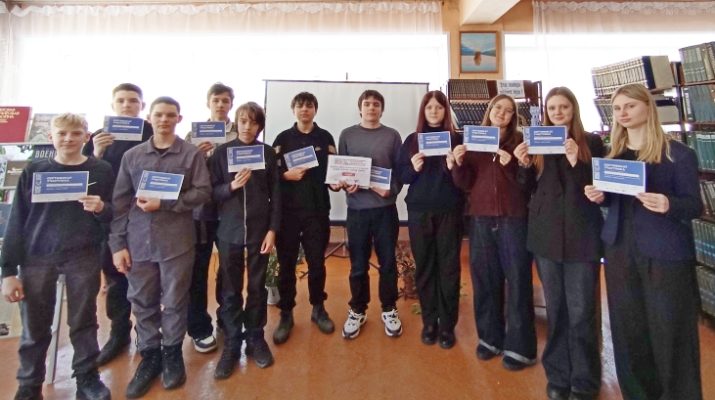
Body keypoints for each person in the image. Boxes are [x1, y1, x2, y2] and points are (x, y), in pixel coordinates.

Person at [585, 83, 703, 400]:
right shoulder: (613, 155)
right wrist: (600, 196)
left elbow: (695, 205)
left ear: (647, 108)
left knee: (671, 331)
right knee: (629, 330)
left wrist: (669, 204)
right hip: (620, 250)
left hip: (665, 253)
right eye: (617, 108)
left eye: (630, 106)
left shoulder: (679, 154)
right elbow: (614, 200)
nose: (622, 113)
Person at [2, 113, 113, 400]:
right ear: (51, 137)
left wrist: (102, 208)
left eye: (75, 133)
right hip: (37, 256)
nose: (68, 139)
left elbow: (115, 214)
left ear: (86, 137)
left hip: (83, 255)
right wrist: (8, 271)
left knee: (83, 321)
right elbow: (17, 219)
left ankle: (87, 378)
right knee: (34, 325)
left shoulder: (101, 170)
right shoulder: (34, 169)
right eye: (62, 133)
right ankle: (29, 385)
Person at [109, 97, 211, 398]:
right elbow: (120, 203)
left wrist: (165, 203)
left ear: (179, 119)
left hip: (177, 242)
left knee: (175, 301)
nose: (164, 120)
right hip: (138, 242)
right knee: (142, 301)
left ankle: (172, 353)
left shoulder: (191, 155)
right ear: (149, 118)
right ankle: (149, 354)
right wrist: (117, 244)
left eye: (170, 115)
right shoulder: (132, 156)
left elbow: (203, 192)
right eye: (159, 115)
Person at [514, 87, 604, 400]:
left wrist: (577, 160)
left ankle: (585, 380)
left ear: (573, 109)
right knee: (556, 310)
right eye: (552, 108)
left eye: (563, 107)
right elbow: (526, 190)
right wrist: (524, 165)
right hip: (546, 237)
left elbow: (599, 188)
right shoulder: (538, 143)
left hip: (582, 237)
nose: (558, 112)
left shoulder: (591, 142)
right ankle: (558, 375)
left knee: (581, 312)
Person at [451, 94, 537, 368]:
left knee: (518, 281)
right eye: (498, 108)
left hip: (514, 219)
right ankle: (489, 339)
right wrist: (458, 163)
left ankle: (521, 348)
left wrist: (515, 163)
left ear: (513, 117)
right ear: (490, 110)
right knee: (485, 280)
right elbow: (465, 184)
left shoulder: (520, 141)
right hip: (481, 219)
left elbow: (528, 185)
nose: (502, 113)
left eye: (509, 110)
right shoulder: (474, 140)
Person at [83, 83, 154, 366]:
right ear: (113, 105)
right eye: (121, 100)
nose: (127, 105)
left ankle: (147, 335)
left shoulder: (152, 132)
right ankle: (119, 332)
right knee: (115, 276)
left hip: (146, 215)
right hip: (109, 216)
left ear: (141, 106)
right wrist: (97, 153)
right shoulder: (99, 136)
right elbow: (82, 175)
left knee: (147, 276)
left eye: (133, 101)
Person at [208, 102, 280, 379]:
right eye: (242, 121)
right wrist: (232, 186)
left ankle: (255, 338)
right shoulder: (221, 153)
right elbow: (211, 192)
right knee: (230, 289)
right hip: (229, 231)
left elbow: (277, 194)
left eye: (252, 122)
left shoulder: (267, 153)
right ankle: (232, 342)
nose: (247, 126)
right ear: (236, 122)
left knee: (257, 287)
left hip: (260, 231)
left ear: (259, 125)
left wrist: (272, 230)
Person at [396, 90, 463, 349]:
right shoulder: (412, 140)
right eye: (429, 107)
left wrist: (454, 166)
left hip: (449, 210)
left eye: (439, 107)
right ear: (423, 112)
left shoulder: (457, 139)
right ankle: (429, 323)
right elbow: (402, 176)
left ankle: (447, 326)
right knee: (424, 267)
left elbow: (466, 179)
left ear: (446, 111)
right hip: (419, 210)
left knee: (449, 268)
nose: (434, 111)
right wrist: (413, 168)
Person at [335, 89, 403, 340]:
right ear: (360, 108)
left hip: (385, 210)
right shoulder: (347, 135)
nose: (371, 108)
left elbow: (400, 171)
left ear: (382, 109)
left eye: (376, 104)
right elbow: (341, 170)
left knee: (388, 263)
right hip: (357, 211)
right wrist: (345, 184)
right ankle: (357, 310)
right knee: (358, 265)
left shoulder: (392, 136)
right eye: (367, 104)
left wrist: (391, 190)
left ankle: (389, 308)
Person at [271, 92, 336, 345]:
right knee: (286, 264)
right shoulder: (282, 139)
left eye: (309, 106)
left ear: (315, 110)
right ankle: (286, 313)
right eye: (300, 106)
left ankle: (318, 308)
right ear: (293, 110)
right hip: (287, 214)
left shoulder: (325, 137)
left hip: (317, 212)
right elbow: (271, 174)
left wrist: (339, 182)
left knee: (317, 263)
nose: (304, 110)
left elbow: (334, 171)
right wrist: (285, 176)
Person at [184, 82, 238, 353]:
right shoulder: (192, 135)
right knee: (198, 270)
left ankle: (226, 319)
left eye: (225, 100)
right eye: (216, 100)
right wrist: (197, 156)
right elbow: (182, 172)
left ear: (231, 104)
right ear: (208, 103)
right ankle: (199, 328)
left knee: (228, 269)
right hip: (201, 213)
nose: (220, 105)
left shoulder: (240, 131)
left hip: (230, 211)